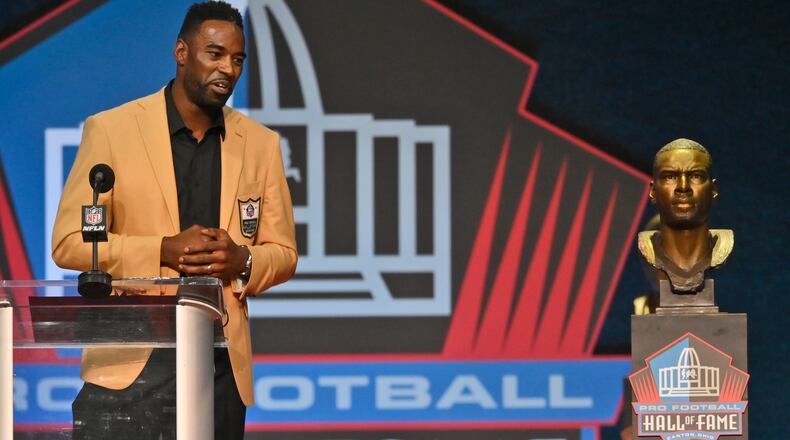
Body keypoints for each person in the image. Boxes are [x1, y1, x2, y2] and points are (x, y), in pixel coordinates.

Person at [51, 1, 297, 438]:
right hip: (131, 360)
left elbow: (283, 253)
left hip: (219, 363)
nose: (228, 69)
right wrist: (162, 250)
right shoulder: (112, 130)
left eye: (237, 59)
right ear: (181, 52)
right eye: (215, 54)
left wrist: (241, 260)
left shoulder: (260, 145)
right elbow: (70, 242)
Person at [637, 138, 733, 293]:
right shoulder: (648, 248)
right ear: (653, 191)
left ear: (713, 190)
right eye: (670, 177)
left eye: (696, 176)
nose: (683, 187)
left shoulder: (722, 247)